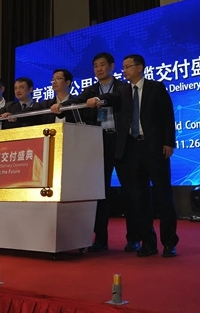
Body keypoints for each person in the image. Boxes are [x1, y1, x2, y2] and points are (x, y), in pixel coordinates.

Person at [52, 53, 138, 253]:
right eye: (96, 66)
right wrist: (61, 106)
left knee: (130, 191)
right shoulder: (90, 89)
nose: (99, 69)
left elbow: (114, 98)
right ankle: (100, 239)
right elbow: (77, 101)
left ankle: (134, 238)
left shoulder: (123, 87)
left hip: (122, 142)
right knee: (100, 193)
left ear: (112, 66)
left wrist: (100, 99)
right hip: (99, 142)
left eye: (102, 65)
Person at [118, 53, 178, 258]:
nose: (124, 70)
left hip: (155, 148)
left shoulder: (156, 87)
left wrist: (169, 142)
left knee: (163, 196)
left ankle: (169, 242)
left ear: (140, 67)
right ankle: (148, 242)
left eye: (128, 66)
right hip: (132, 149)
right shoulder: (123, 91)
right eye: (123, 67)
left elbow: (168, 117)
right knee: (140, 198)